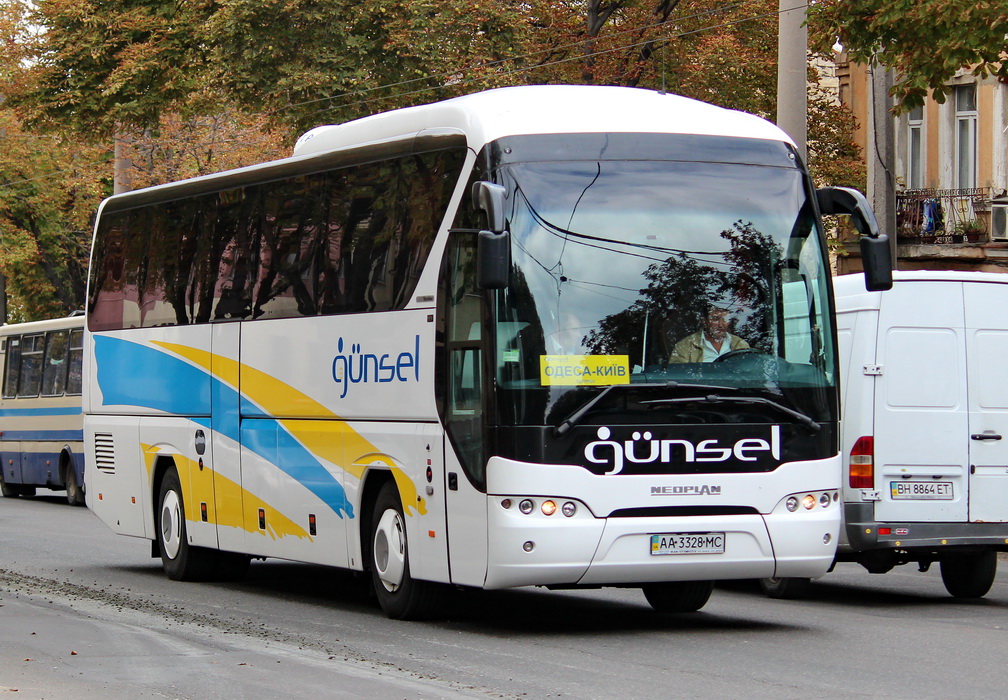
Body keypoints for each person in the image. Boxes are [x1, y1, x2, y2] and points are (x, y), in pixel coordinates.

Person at [668, 306, 748, 363]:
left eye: (725, 319)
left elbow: (750, 372)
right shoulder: (685, 346)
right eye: (715, 319)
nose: (720, 324)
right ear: (704, 321)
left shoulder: (740, 344)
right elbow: (678, 375)